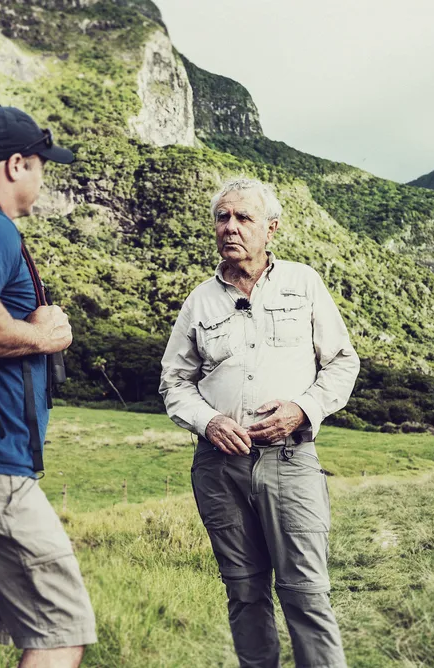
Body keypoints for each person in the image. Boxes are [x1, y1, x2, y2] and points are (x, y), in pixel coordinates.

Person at [160, 177, 360, 667]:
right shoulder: (200, 301)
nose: (231, 227)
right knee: (245, 592)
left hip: (289, 460)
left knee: (306, 591)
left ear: (271, 228)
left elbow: (342, 362)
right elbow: (173, 382)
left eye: (243, 218)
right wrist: (207, 421)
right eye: (223, 217)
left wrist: (303, 409)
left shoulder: (304, 283)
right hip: (219, 468)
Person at [0, 106, 96, 668]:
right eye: (42, 165)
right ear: (15, 163)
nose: (44, 177)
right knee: (59, 631)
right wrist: (44, 336)